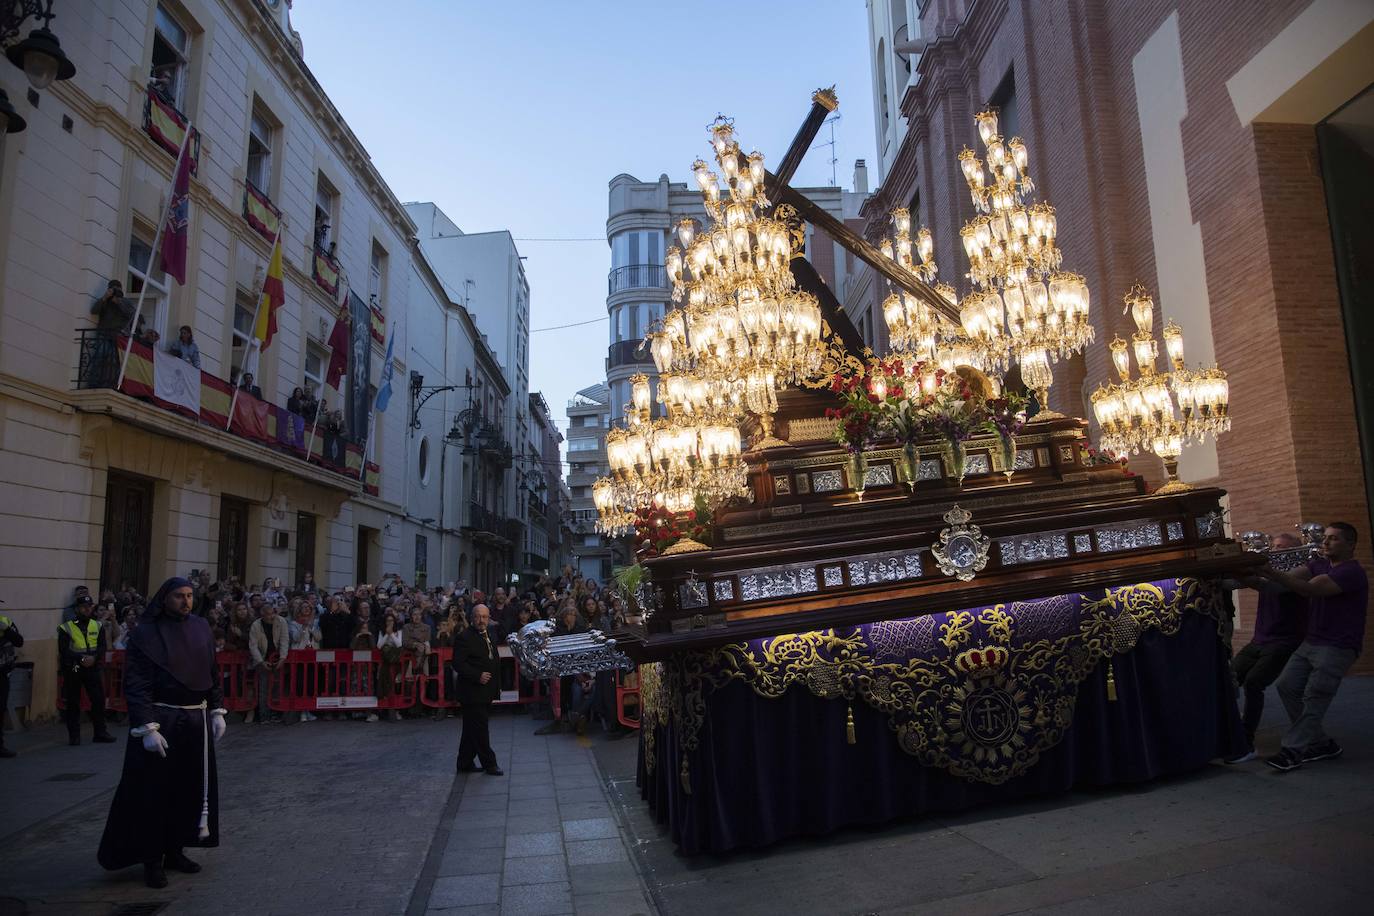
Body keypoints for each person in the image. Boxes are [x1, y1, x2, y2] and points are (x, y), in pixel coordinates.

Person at [98, 577, 225, 889]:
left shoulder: (200, 627)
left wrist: (217, 710)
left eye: (190, 596)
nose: (186, 601)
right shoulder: (145, 633)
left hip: (194, 721)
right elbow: (137, 683)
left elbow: (211, 672)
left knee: (187, 789)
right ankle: (151, 859)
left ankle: (175, 850)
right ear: (164, 598)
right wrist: (147, 727)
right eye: (179, 596)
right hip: (161, 722)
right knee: (153, 793)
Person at [1260, 522, 1368, 771]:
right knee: (1287, 686)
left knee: (1315, 698)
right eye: (1326, 538)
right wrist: (1250, 574)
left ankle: (1292, 750)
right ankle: (1320, 743)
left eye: (1334, 539)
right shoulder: (1319, 564)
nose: (1326, 542)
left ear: (1351, 545)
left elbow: (1309, 590)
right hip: (1312, 641)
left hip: (1337, 646)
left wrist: (1270, 572)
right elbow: (1280, 585)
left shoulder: (1351, 572)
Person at [1227, 533, 1309, 763]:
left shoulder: (1303, 569)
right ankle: (1229, 731)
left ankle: (1246, 740)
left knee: (1254, 683)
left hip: (1284, 640)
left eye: (1281, 547)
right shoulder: (1269, 568)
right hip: (1260, 639)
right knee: (1230, 676)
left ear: (1295, 550)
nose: (1275, 550)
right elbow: (1235, 583)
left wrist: (1253, 569)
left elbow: (1273, 588)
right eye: (1274, 546)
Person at [58, 595, 116, 746]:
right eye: (84, 606)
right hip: (75, 667)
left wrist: (94, 658)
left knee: (98, 700)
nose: (87, 609)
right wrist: (80, 658)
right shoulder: (67, 627)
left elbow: (102, 647)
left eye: (89, 606)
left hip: (92, 667)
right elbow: (63, 650)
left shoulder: (97, 626)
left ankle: (100, 732)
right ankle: (74, 736)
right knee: (73, 702)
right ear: (77, 609)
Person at [453, 604, 502, 775]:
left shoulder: (489, 634)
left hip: (485, 691)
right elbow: (458, 663)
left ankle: (464, 762)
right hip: (472, 692)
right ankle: (490, 763)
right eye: (478, 617)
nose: (481, 620)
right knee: (480, 729)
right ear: (472, 618)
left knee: (470, 729)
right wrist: (477, 675)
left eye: (485, 617)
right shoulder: (464, 637)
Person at [247, 602, 288, 725]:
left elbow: (284, 640)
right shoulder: (256, 626)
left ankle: (275, 713)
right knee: (263, 688)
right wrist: (260, 661)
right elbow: (253, 646)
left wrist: (282, 658)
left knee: (277, 687)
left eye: (272, 614)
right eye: (268, 614)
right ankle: (264, 715)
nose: (271, 617)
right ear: (262, 614)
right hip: (262, 657)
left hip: (276, 657)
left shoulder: (281, 622)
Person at [0, 601, 23, 758]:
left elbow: (19, 641)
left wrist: (6, 629)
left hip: (2, 673)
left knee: (0, 708)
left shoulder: (5, 622)